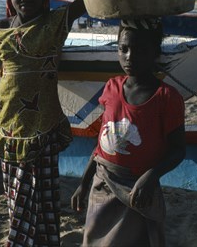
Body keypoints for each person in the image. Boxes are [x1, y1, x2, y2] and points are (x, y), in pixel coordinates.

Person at [0, 0, 111, 246]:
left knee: (40, 198)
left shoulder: (54, 25)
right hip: (8, 123)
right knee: (16, 197)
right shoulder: (1, 27)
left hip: (41, 124)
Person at [70, 18, 186, 246]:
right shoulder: (112, 87)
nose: (129, 57)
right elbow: (103, 143)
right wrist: (84, 183)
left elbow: (178, 150)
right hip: (102, 183)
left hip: (138, 190)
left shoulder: (167, 97)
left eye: (140, 50)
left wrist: (151, 176)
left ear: (155, 51)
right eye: (123, 49)